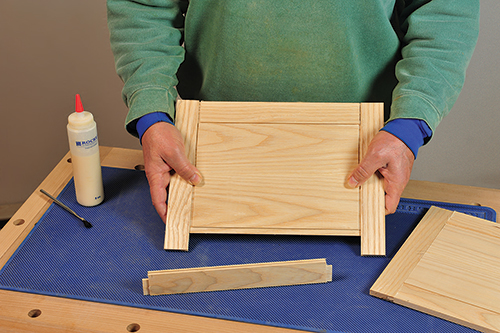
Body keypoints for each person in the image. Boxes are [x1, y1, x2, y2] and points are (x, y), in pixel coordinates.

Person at [107, 0, 479, 222]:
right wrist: (153, 112)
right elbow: (144, 8)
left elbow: (445, 14)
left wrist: (409, 126)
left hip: (361, 158)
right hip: (205, 158)